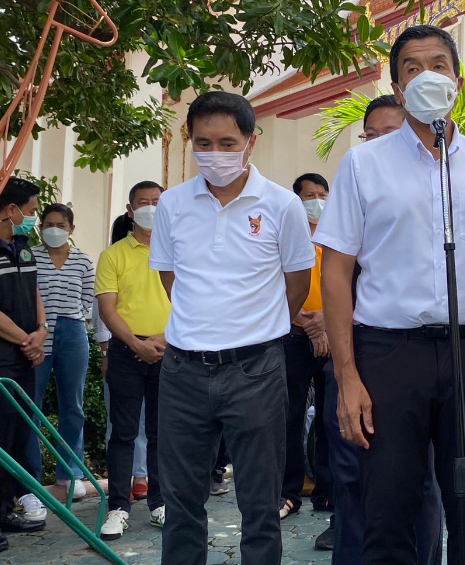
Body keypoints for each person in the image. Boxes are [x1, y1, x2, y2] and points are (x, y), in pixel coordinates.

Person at [315, 25, 465, 565]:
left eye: (439, 65)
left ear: (457, 79)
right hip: (388, 354)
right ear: (397, 88)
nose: (427, 76)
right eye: (412, 69)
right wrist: (347, 378)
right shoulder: (364, 164)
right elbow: (336, 273)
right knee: (388, 512)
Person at [150, 91, 314, 565]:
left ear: (250, 142)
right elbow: (171, 277)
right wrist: (204, 324)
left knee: (260, 505)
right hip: (182, 372)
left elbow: (298, 283)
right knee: (181, 504)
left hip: (256, 372)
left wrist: (255, 327)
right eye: (203, 143)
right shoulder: (172, 204)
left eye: (227, 143)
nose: (215, 154)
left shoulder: (282, 205)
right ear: (190, 141)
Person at [322, 94, 444, 565]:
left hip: (404, 355)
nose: (377, 144)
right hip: (352, 356)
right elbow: (334, 276)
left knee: (417, 480)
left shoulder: (429, 205)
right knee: (351, 475)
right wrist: (344, 369)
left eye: (388, 134)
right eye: (369, 135)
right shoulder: (356, 189)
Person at [95, 181, 169, 540]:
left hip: (170, 350)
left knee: (161, 432)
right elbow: (107, 309)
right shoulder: (113, 256)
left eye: (157, 202)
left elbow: (192, 300)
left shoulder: (178, 250)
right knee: (123, 433)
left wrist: (165, 339)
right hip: (126, 351)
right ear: (130, 210)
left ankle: (159, 504)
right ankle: (119, 508)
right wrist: (136, 344)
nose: (150, 208)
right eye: (143, 202)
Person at [24, 204, 94, 501]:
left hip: (72, 332)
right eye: (49, 224)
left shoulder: (83, 261)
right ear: (40, 227)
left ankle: (70, 473)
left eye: (61, 225)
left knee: (72, 406)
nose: (55, 229)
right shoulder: (29, 257)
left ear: (71, 229)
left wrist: (71, 319)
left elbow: (87, 299)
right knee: (31, 405)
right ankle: (30, 476)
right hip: (37, 334)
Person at [279, 173, 333, 532]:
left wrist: (326, 322)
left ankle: (329, 491)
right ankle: (288, 492)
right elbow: (277, 285)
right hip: (294, 334)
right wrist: (307, 323)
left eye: (322, 194)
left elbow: (349, 283)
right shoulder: (288, 236)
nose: (317, 201)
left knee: (332, 417)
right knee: (290, 416)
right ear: (296, 201)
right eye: (309, 195)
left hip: (334, 335)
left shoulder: (338, 236)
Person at [0, 177, 49, 552]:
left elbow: (34, 293)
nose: (33, 218)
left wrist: (42, 331)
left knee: (18, 437)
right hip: (5, 359)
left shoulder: (23, 248)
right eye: (31, 211)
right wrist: (25, 339)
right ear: (11, 210)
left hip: (25, 359)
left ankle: (6, 509)